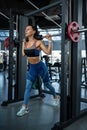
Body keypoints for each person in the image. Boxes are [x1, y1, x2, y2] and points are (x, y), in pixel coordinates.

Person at [16, 25, 59, 117]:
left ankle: (55, 97)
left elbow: (48, 52)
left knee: (47, 85)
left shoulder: (38, 42)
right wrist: (23, 43)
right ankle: (25, 107)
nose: (25, 31)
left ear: (33, 31)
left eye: (28, 29)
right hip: (32, 68)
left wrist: (50, 41)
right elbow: (23, 54)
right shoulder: (26, 43)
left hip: (40, 67)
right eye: (25, 29)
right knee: (27, 87)